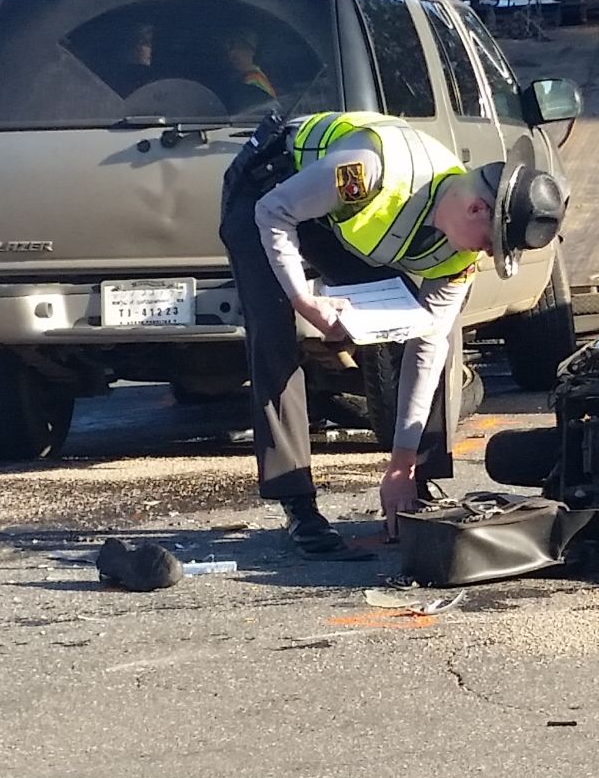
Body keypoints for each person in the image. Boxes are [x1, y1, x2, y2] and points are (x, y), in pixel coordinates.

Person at [219, 110, 565, 558]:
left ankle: (413, 486)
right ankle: (298, 505)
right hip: (270, 190)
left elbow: (428, 347)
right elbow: (274, 212)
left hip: (341, 222)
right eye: (489, 243)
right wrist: (304, 299)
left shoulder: (458, 254)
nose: (484, 254)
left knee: (423, 327)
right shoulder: (371, 170)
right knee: (275, 337)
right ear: (476, 208)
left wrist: (401, 459)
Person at [214, 28, 280, 114]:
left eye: (240, 47)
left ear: (252, 51)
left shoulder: (253, 79)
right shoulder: (238, 78)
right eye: (229, 49)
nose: (232, 53)